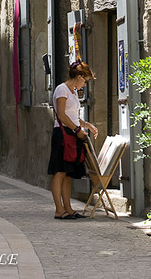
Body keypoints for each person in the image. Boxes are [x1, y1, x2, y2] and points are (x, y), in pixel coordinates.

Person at [48, 60, 98, 219]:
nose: (84, 84)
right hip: (63, 134)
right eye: (85, 81)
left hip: (72, 133)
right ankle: (59, 209)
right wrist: (77, 130)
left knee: (68, 173)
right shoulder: (61, 90)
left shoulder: (73, 92)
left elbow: (73, 115)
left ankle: (68, 208)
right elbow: (62, 115)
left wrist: (86, 125)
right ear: (78, 76)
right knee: (59, 172)